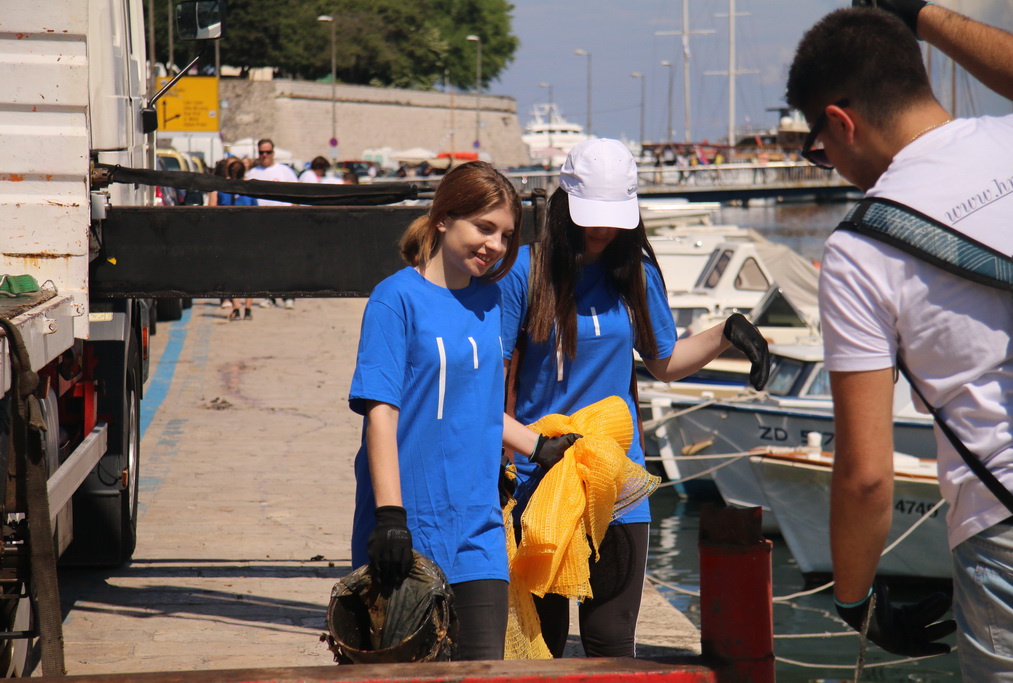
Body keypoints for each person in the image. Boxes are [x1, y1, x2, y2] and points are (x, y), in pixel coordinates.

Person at [786, 3, 1013, 678]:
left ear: (840, 121)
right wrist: (922, 14)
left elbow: (866, 475)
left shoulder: (861, 251)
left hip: (1008, 530)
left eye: (818, 147)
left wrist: (854, 597)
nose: (827, 162)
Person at [498, 138, 770, 658]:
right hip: (540, 479)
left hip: (618, 485)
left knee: (611, 641)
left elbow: (664, 362)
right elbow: (494, 380)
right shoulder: (524, 273)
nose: (601, 227)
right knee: (540, 646)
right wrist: (512, 452)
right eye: (589, 214)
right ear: (564, 204)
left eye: (612, 215)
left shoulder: (636, 274)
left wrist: (727, 333)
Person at [348, 161, 571, 661]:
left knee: (483, 670)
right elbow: (380, 413)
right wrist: (389, 517)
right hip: (406, 528)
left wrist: (539, 446)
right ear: (444, 218)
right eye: (484, 227)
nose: (494, 244)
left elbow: (482, 408)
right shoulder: (395, 299)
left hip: (478, 529)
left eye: (505, 235)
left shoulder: (492, 302)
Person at [247, 139, 297, 309]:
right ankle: (269, 294)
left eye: (267, 152)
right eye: (261, 152)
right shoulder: (252, 173)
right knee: (266, 261)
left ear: (273, 153)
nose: (264, 156)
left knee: (285, 260)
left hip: (284, 221)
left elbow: (296, 196)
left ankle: (288, 295)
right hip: (262, 223)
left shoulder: (285, 171)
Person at [209, 157, 258, 320]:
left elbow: (211, 211)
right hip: (248, 237)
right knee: (248, 273)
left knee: (230, 273)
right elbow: (256, 212)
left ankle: (236, 307)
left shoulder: (221, 189)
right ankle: (249, 308)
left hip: (227, 237)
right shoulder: (249, 189)